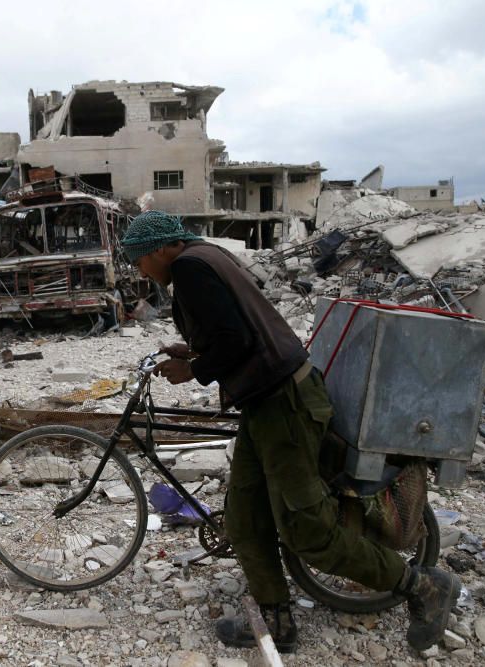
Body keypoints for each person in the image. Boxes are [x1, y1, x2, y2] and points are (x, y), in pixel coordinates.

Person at [120, 211, 460, 653]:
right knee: (245, 519)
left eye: (139, 259)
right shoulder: (207, 257)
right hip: (266, 406)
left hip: (285, 406)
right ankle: (277, 622)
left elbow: (236, 341)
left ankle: (422, 587)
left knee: (307, 532)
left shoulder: (190, 267)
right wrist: (193, 349)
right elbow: (238, 329)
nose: (138, 269)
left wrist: (194, 368)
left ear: (162, 248)